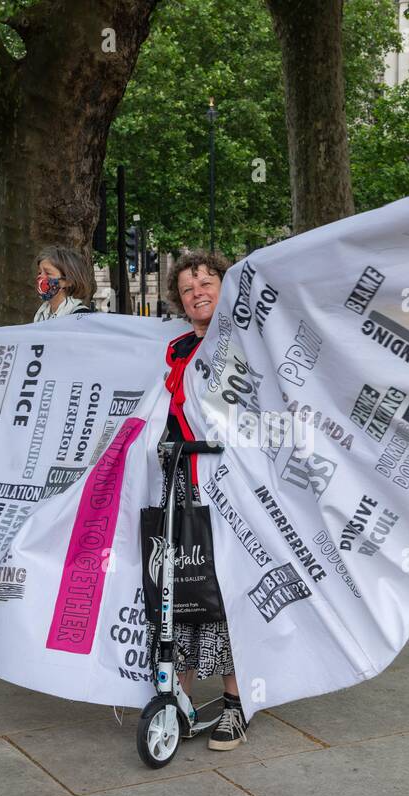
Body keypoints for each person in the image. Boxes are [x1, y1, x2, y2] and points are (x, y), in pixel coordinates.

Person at [162, 249, 248, 751]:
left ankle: (236, 703)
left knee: (229, 591)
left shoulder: (244, 344)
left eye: (207, 281)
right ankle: (181, 696)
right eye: (188, 286)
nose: (197, 291)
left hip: (234, 489)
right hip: (184, 486)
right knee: (186, 589)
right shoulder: (174, 351)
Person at [31, 245, 97, 321]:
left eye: (48, 273)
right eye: (39, 273)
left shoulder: (80, 316)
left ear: (68, 281)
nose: (40, 277)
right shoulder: (41, 314)